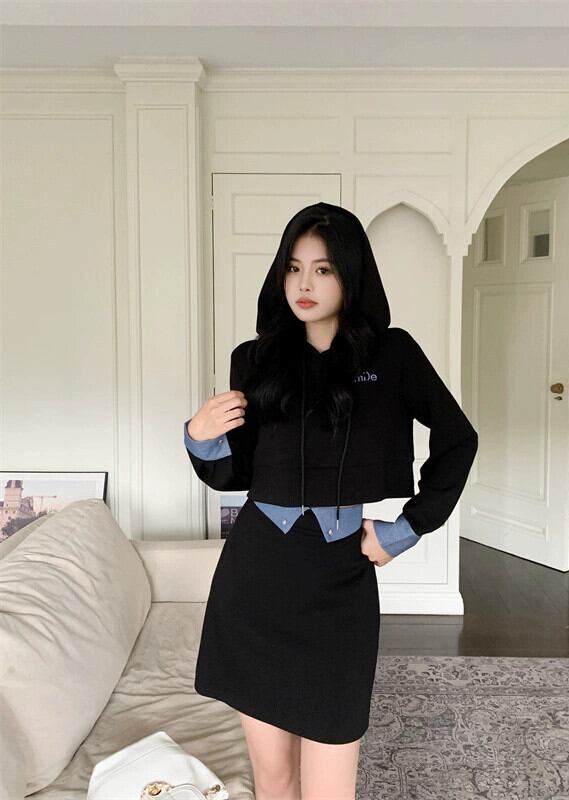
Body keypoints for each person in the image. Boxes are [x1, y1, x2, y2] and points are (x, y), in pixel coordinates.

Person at [184, 201, 478, 800]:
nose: (305, 284)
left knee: (330, 786)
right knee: (273, 777)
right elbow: (237, 473)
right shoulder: (254, 359)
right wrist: (199, 438)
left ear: (350, 274)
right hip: (255, 578)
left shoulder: (392, 355)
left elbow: (458, 439)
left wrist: (406, 529)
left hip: (340, 583)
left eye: (323, 269)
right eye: (294, 268)